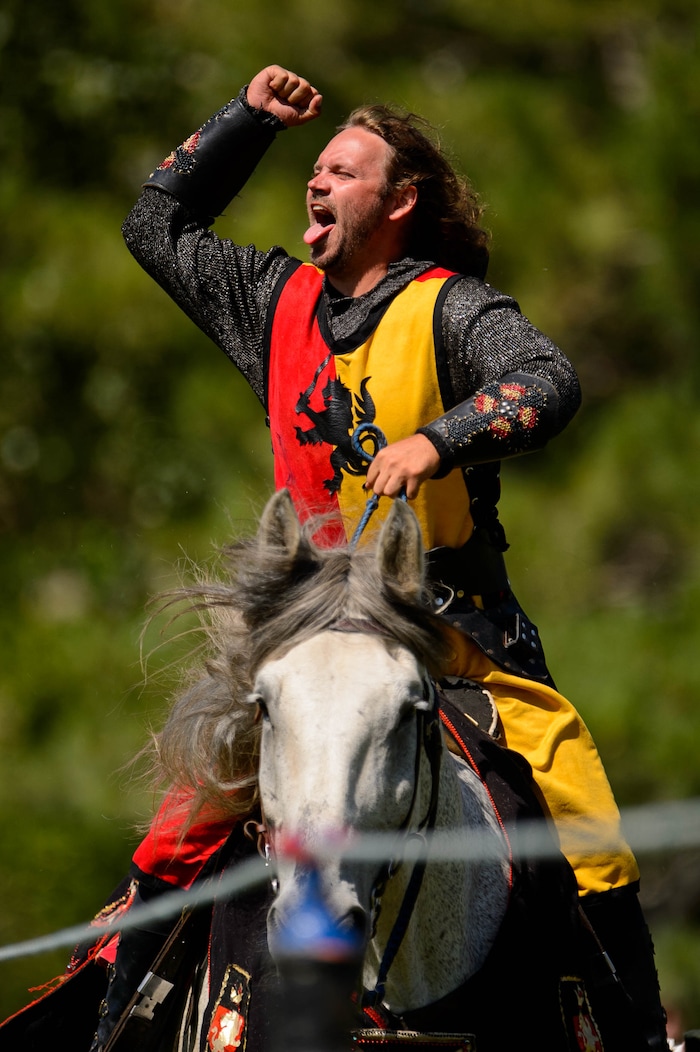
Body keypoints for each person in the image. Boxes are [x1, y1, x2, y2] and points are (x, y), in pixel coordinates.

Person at [115, 65, 666, 1049]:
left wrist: (440, 437)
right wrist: (248, 124)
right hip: (304, 620)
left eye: (342, 170)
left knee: (585, 819)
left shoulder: (453, 309)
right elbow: (153, 228)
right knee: (178, 828)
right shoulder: (271, 298)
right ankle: (116, 1010)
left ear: (400, 200)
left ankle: (623, 1027)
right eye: (313, 170)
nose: (315, 184)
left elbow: (552, 381)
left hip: (452, 628)